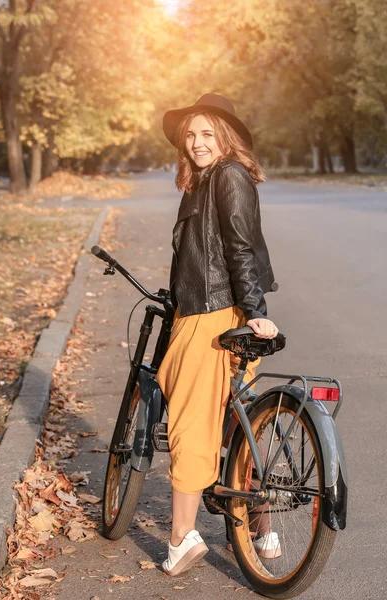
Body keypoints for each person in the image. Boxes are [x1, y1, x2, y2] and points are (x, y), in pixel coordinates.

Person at [156, 93, 279, 577]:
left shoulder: (227, 176)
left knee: (191, 421)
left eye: (207, 133)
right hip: (204, 311)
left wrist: (255, 312)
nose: (197, 142)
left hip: (213, 317)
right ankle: (263, 530)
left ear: (225, 138)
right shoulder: (204, 181)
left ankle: (179, 539)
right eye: (191, 134)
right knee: (235, 421)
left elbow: (239, 249)